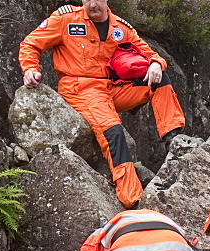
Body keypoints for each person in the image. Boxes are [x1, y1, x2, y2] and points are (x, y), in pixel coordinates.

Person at [19, 0, 185, 208]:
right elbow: (30, 43)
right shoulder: (65, 19)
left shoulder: (120, 27)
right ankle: (132, 198)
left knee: (159, 79)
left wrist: (155, 64)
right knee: (113, 131)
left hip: (111, 89)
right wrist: (30, 68)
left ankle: (173, 138)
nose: (92, 3)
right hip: (80, 89)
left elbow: (150, 53)